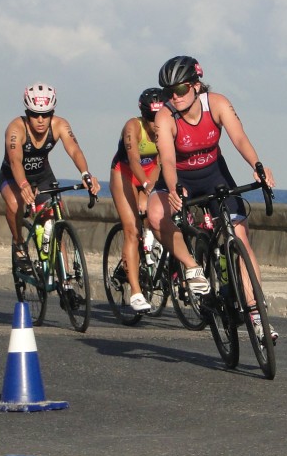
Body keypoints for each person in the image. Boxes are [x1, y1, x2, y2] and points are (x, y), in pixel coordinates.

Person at [146, 55, 278, 342]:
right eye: (169, 92)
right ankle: (192, 267)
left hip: (215, 175)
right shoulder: (164, 116)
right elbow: (167, 160)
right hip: (181, 179)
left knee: (239, 237)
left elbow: (239, 138)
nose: (174, 97)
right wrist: (173, 189)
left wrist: (257, 167)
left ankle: (256, 312)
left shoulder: (216, 103)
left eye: (180, 90)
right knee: (155, 215)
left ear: (195, 85)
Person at [0, 83, 101, 267]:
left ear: (52, 113)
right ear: (26, 112)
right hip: (14, 176)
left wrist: (86, 174)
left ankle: (65, 280)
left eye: (45, 114)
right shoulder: (16, 129)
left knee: (54, 224)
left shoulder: (60, 125)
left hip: (43, 176)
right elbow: (15, 161)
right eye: (34, 114)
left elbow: (75, 150)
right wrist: (23, 185)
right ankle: (19, 244)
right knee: (15, 206)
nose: (40, 119)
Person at [109, 87, 165, 313]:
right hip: (124, 173)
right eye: (150, 118)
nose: (154, 123)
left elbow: (162, 163)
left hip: (150, 171)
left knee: (153, 216)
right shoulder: (133, 127)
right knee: (132, 229)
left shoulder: (166, 127)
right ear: (143, 115)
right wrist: (144, 185)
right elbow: (133, 160)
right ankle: (135, 291)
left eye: (158, 118)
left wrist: (150, 189)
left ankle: (147, 257)